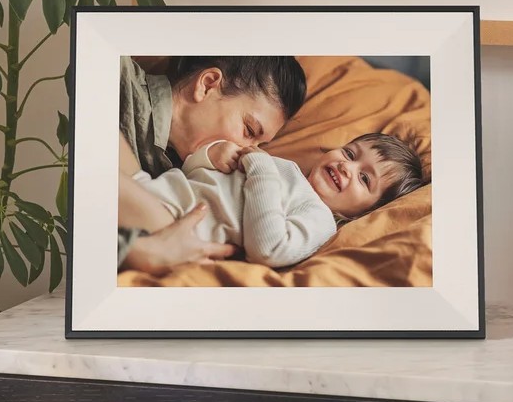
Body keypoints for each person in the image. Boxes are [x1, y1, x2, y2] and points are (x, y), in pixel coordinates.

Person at [117, 55, 308, 272]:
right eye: (249, 131)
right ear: (207, 85)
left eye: (260, 145)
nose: (248, 149)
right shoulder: (110, 77)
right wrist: (140, 251)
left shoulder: (188, 178)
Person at [128, 132, 425, 268]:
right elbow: (192, 173)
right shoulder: (287, 168)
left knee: (97, 177)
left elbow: (269, 250)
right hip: (159, 187)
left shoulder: (319, 218)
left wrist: (262, 171)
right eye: (349, 153)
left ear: (361, 215)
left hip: (173, 223)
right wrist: (211, 156)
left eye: (364, 179)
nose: (348, 167)